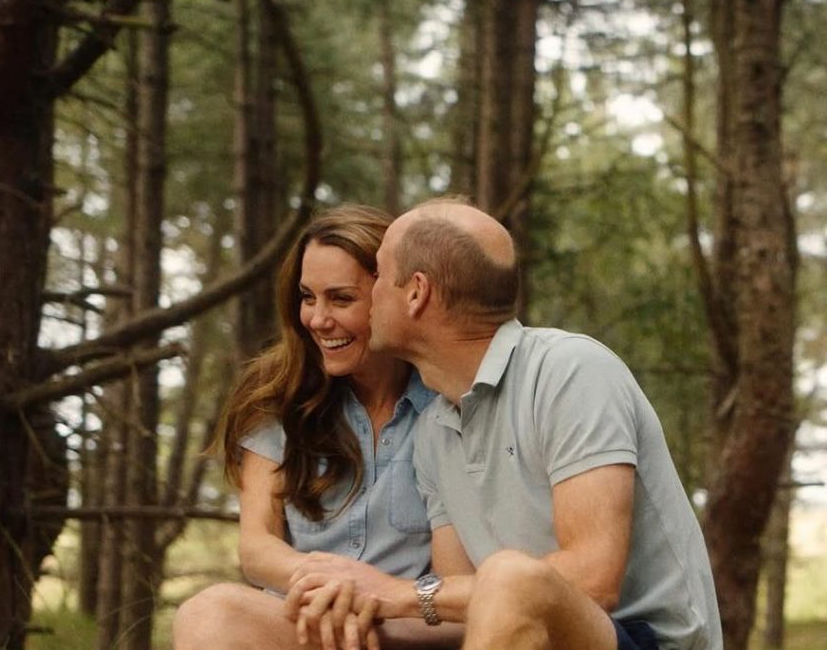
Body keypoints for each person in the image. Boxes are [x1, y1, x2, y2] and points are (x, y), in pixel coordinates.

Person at [286, 197, 723, 649]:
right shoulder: (435, 429)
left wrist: (400, 593)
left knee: (510, 576)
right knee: (238, 612)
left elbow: (593, 580)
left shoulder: (570, 370)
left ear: (416, 292)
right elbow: (454, 610)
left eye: (378, 274)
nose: (370, 294)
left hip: (641, 640)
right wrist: (349, 610)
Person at [173, 204, 465, 650]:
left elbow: (454, 585)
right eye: (308, 297)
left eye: (341, 299)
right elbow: (257, 547)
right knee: (208, 614)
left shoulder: (449, 406)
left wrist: (380, 601)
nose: (318, 319)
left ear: (396, 295)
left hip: (405, 631)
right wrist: (336, 586)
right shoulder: (279, 394)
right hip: (303, 625)